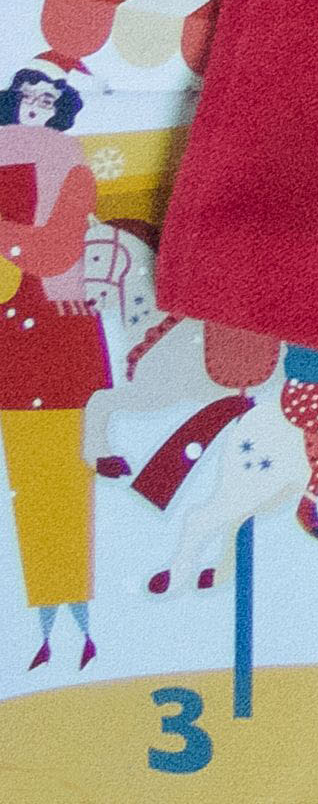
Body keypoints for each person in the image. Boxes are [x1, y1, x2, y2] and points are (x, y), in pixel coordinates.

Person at [0, 64, 106, 671]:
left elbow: (57, 250)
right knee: (24, 482)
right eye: (28, 95)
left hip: (56, 337)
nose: (36, 105)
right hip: (12, 332)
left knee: (62, 479)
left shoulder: (73, 167)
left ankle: (74, 617)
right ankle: (41, 626)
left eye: (48, 98)